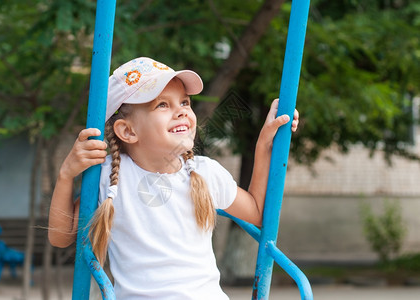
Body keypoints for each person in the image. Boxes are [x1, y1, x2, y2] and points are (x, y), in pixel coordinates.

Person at [48, 57, 299, 299]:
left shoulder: (205, 173)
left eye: (185, 103)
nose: (181, 112)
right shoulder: (111, 179)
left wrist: (264, 145)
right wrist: (66, 175)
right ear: (127, 130)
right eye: (162, 105)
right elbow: (60, 237)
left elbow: (256, 212)